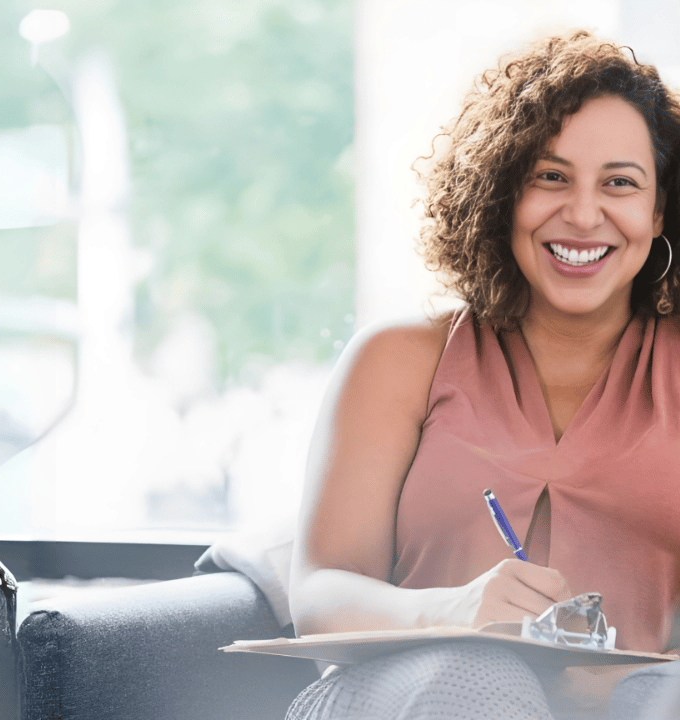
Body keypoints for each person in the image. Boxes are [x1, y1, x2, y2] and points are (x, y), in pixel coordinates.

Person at [285, 29, 680, 720]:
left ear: (658, 211)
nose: (583, 214)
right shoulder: (400, 358)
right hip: (414, 693)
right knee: (480, 676)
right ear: (502, 195)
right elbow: (319, 590)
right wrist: (453, 610)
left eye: (620, 183)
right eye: (550, 177)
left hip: (635, 706)